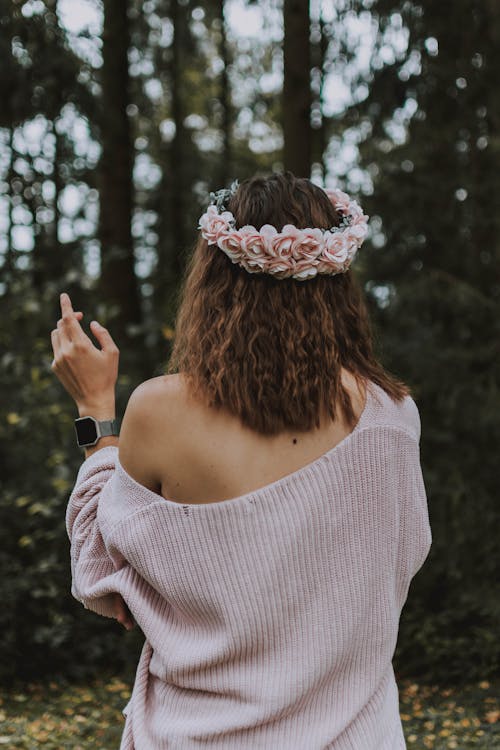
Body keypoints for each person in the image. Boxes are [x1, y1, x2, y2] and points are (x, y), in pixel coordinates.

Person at [51, 171, 432, 749]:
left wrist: (95, 412)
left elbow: (101, 577)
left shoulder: (157, 409)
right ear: (338, 281)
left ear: (213, 280)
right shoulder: (393, 418)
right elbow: (401, 561)